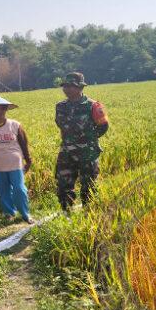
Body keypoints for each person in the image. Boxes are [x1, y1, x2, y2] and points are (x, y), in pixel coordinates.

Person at [55, 72, 109, 211]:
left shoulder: (93, 106)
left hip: (88, 153)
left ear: (80, 88)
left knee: (88, 185)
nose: (66, 89)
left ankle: (89, 214)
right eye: (65, 86)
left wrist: (89, 140)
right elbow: (61, 126)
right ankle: (66, 212)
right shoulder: (60, 106)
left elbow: (103, 126)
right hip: (67, 152)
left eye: (70, 86)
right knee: (63, 184)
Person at [0, 96, 34, 224]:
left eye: (2, 109)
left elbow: (23, 143)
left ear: (6, 110)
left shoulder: (15, 125)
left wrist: (28, 160)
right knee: (3, 191)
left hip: (15, 163)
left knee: (19, 189)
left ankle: (25, 214)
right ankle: (9, 213)